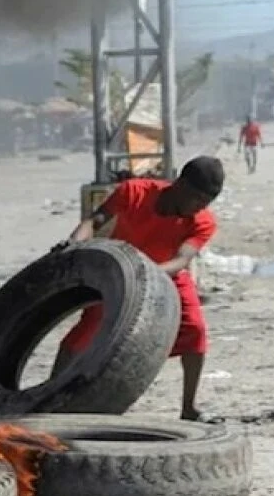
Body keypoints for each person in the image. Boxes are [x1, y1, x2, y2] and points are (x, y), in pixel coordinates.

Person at [51, 157, 225, 422]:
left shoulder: (203, 221)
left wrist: (149, 273)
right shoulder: (133, 191)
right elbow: (95, 221)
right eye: (196, 199)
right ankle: (51, 396)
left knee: (196, 331)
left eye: (206, 202)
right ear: (179, 184)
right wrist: (72, 244)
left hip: (167, 275)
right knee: (85, 333)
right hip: (119, 271)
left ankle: (189, 407)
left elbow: (182, 260)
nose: (199, 207)